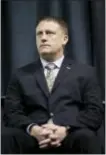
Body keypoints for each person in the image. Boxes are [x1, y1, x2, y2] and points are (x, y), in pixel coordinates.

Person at [2, 16, 104, 154]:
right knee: (6, 138)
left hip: (72, 133)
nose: (43, 38)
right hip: (32, 135)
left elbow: (94, 111)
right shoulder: (21, 74)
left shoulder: (85, 72)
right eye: (39, 34)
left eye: (49, 33)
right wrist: (33, 129)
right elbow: (11, 112)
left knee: (87, 137)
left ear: (65, 39)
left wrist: (66, 129)